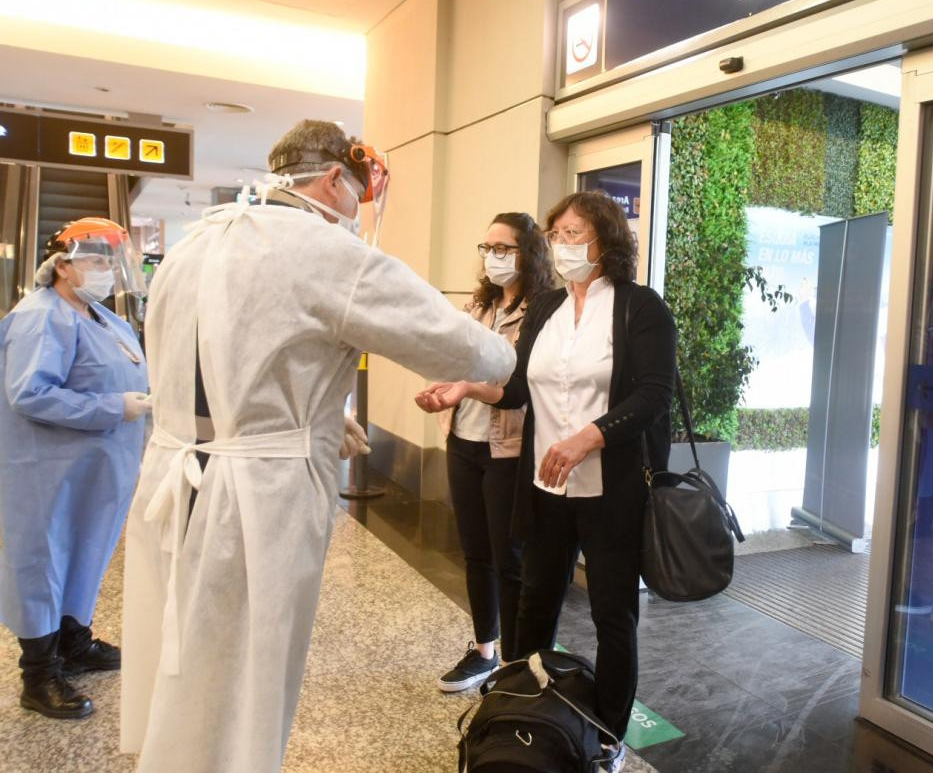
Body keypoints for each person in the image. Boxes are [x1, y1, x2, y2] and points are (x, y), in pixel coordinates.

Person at [119, 120, 516, 773]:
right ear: (334, 179)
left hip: (176, 475)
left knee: (185, 654)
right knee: (245, 676)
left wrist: (320, 418)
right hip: (256, 497)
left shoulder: (201, 241)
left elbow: (215, 374)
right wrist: (505, 353)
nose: (355, 216)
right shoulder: (322, 249)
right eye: (356, 198)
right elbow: (474, 350)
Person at [418, 191, 676, 772]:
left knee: (613, 617)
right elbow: (516, 389)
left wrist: (592, 435)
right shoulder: (548, 309)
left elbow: (653, 396)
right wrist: (465, 390)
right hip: (545, 486)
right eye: (555, 233)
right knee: (534, 604)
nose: (561, 243)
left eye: (573, 232)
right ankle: (522, 714)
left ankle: (607, 738)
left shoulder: (640, 308)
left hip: (610, 489)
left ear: (605, 240)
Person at [0, 218, 150, 719]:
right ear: (61, 265)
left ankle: (73, 641)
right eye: (96, 260)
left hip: (98, 469)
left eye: (112, 262)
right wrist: (114, 408)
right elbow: (30, 393)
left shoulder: (102, 317)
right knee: (45, 559)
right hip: (49, 471)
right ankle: (39, 674)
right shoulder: (42, 317)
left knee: (88, 551)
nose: (107, 271)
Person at [415, 212, 555, 692]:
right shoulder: (481, 304)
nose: (493, 257)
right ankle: (484, 652)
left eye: (504, 248)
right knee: (475, 553)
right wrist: (444, 389)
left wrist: (468, 389)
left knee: (508, 557)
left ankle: (517, 667)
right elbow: (458, 361)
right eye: (488, 248)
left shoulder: (540, 309)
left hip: (507, 447)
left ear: (528, 252)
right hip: (464, 440)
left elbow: (518, 390)